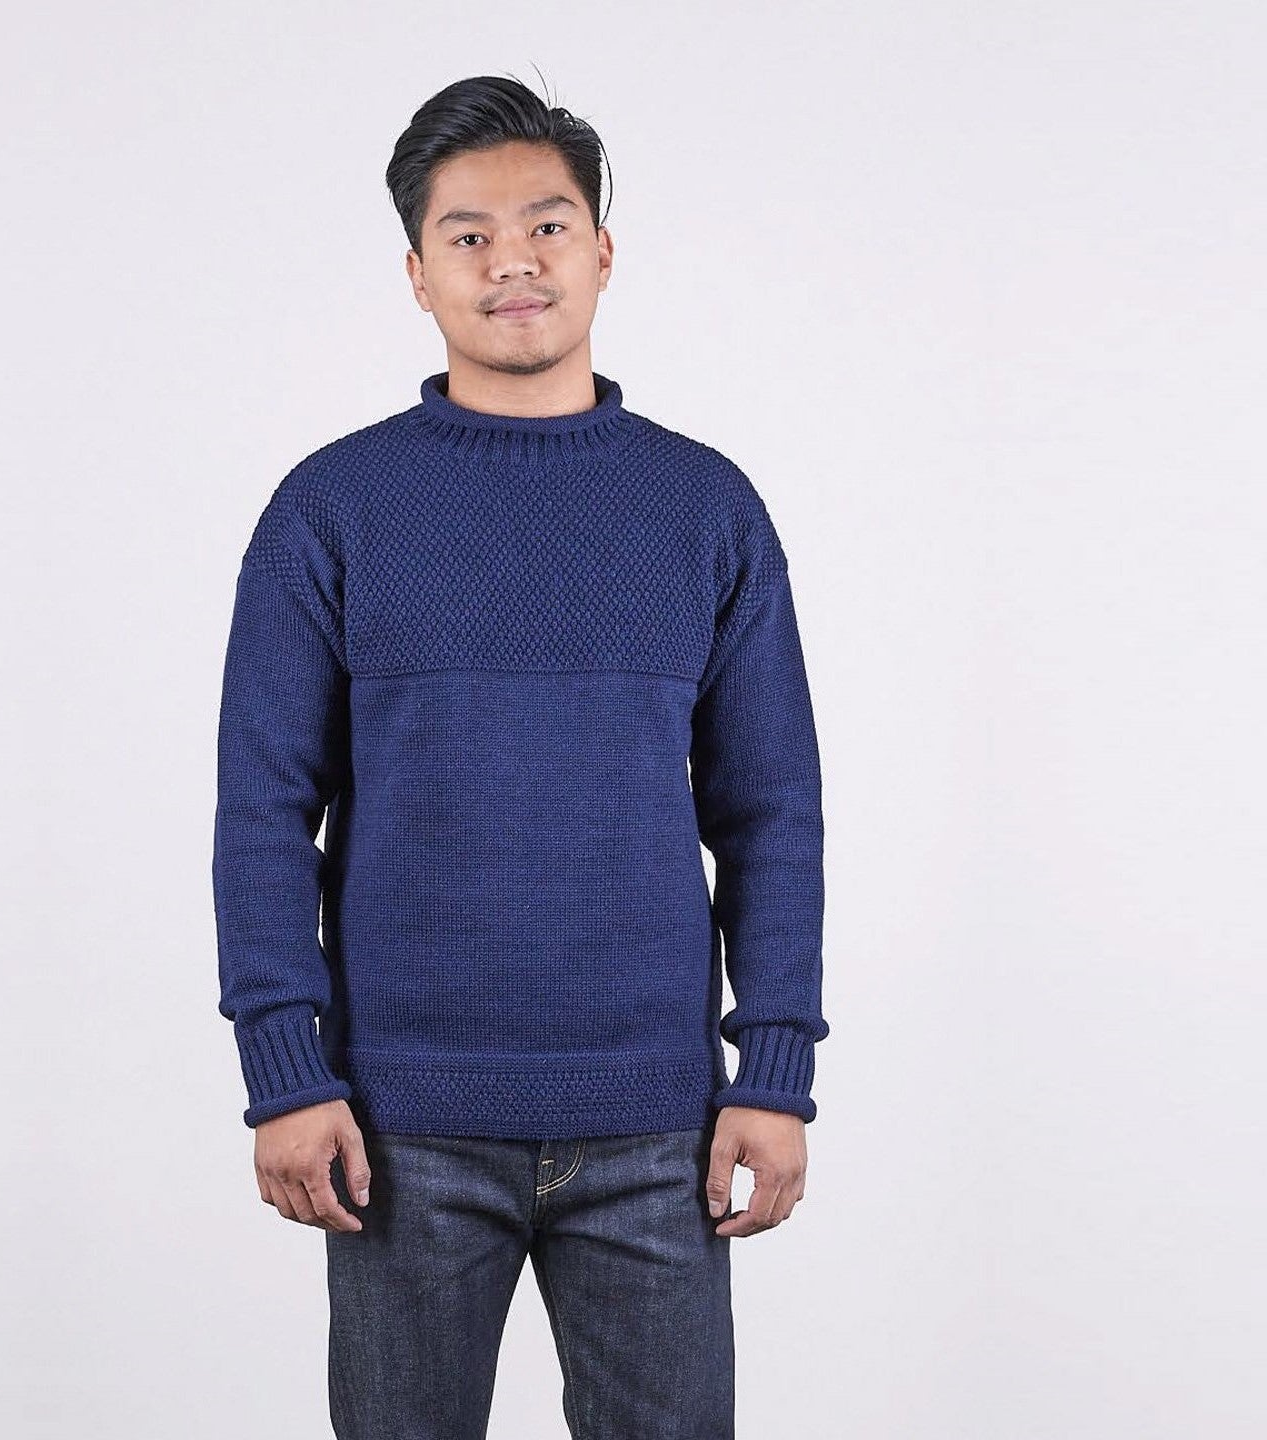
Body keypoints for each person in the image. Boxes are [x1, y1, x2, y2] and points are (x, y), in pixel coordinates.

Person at [211, 72, 830, 1440]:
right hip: (399, 1128)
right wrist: (285, 1071)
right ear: (417, 274)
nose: (513, 262)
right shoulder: (333, 508)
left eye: (547, 226)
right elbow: (263, 806)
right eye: (469, 235)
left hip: (658, 1127)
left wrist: (774, 1070)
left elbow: (771, 810)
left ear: (602, 251)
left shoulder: (704, 506)